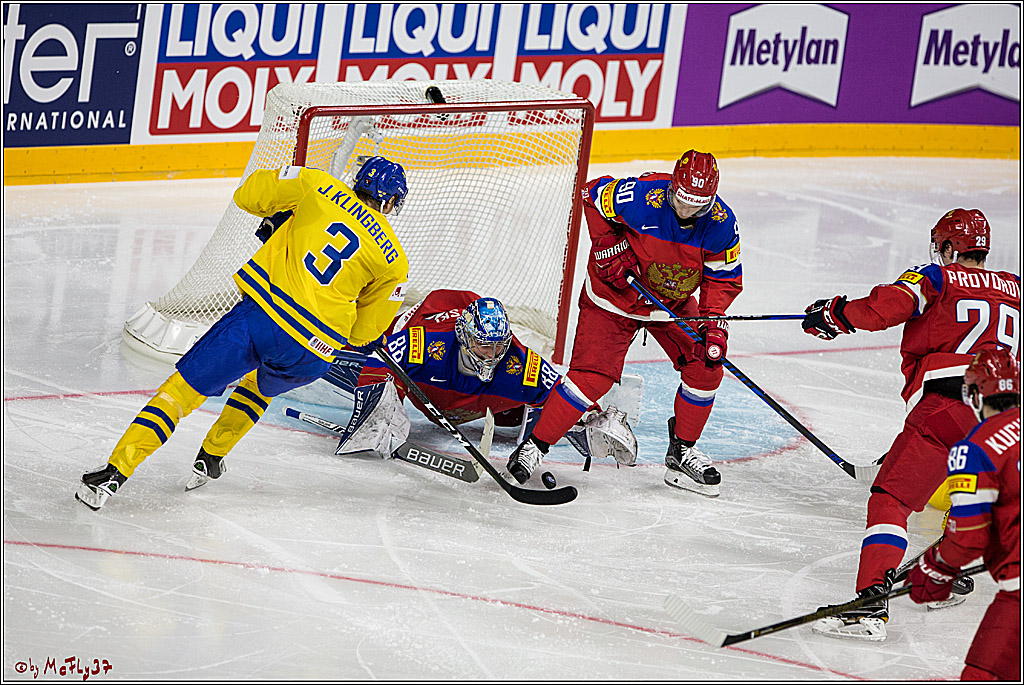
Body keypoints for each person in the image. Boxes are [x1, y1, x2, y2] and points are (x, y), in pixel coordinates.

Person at [76, 156, 411, 509]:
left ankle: (114, 473)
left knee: (179, 395)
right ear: (390, 201)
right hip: (314, 352)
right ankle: (212, 455)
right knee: (258, 388)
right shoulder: (395, 261)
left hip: (262, 318)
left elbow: (248, 195)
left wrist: (285, 214)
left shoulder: (318, 185)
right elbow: (363, 333)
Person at [805, 208, 1020, 640]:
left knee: (891, 499)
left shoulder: (937, 278)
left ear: (947, 247)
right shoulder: (1017, 289)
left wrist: (833, 314)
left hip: (948, 407)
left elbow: (886, 307)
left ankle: (867, 607)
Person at [504, 150, 742, 496]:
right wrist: (607, 246)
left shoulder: (721, 224)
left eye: (697, 207)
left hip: (669, 304)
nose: (687, 211)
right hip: (612, 299)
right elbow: (590, 194)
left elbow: (722, 280)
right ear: (673, 187)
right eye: (681, 201)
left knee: (706, 364)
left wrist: (712, 323)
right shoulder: (640, 197)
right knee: (592, 378)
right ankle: (534, 447)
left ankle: (682, 450)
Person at [324, 289, 637, 467]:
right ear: (463, 336)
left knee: (518, 413)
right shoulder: (425, 343)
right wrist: (379, 411)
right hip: (426, 361)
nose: (491, 355)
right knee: (350, 354)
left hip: (472, 401)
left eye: (498, 347)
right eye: (483, 346)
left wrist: (593, 415)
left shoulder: (516, 362)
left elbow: (563, 391)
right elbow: (380, 360)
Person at [904, 347, 1019, 681]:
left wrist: (936, 569)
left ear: (973, 392)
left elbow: (969, 537)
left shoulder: (978, 447)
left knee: (982, 673)